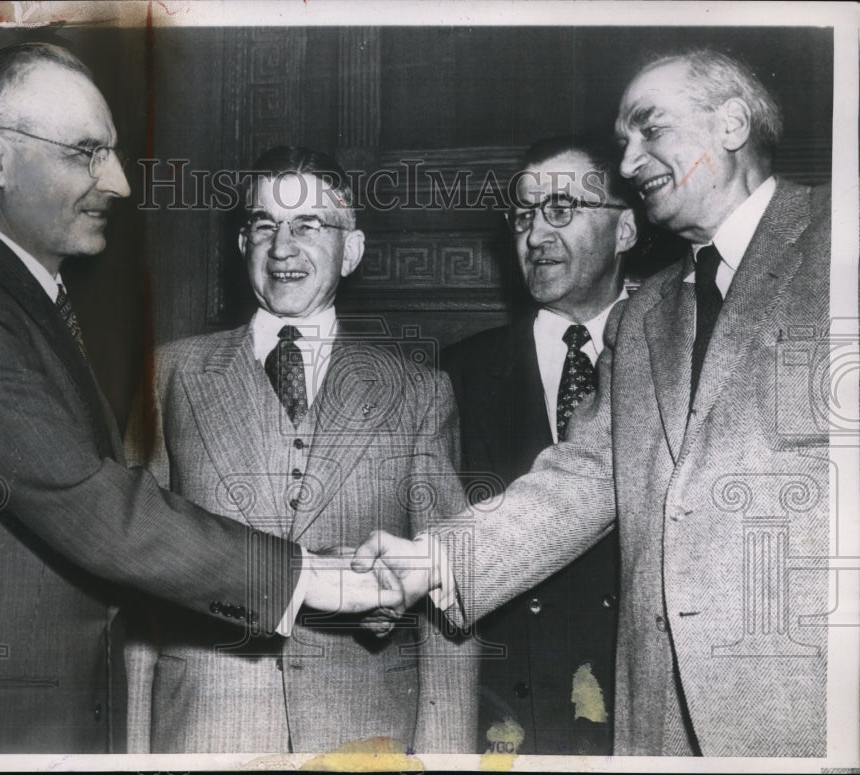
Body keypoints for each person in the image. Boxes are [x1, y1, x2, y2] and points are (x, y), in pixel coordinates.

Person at [0, 44, 393, 755]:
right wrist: (308, 574)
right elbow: (96, 507)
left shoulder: (19, 296)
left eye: (112, 152)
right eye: (87, 152)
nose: (118, 181)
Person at [354, 47, 831, 757]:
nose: (632, 162)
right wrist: (434, 562)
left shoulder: (838, 241)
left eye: (650, 130)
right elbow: (583, 475)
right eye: (624, 142)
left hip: (811, 712)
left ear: (732, 124)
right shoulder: (646, 318)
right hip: (661, 721)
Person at [124, 146, 476, 754]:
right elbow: (133, 570)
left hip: (365, 737)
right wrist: (131, 751)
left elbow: (450, 592)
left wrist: (444, 756)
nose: (283, 248)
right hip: (204, 732)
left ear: (353, 249)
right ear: (243, 246)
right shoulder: (169, 375)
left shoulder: (418, 393)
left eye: (308, 225)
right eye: (265, 225)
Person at [442, 137, 638, 755]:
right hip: (508, 719)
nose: (535, 235)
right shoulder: (456, 374)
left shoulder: (684, 356)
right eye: (525, 216)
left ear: (626, 228)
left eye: (562, 210)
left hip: (641, 712)